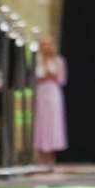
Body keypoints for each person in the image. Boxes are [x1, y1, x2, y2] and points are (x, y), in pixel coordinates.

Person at [33, 36, 67, 165]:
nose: (46, 47)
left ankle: (51, 156)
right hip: (41, 92)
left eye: (49, 44)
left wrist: (51, 74)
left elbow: (62, 79)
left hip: (53, 92)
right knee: (41, 121)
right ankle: (40, 155)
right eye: (44, 44)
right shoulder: (36, 60)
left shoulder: (59, 61)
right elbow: (34, 77)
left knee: (53, 122)